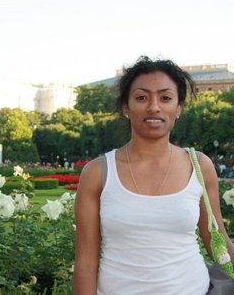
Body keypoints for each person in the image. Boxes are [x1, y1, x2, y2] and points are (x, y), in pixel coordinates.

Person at [72, 56, 234, 294]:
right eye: (141, 97)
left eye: (166, 98)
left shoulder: (199, 166)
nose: (154, 107)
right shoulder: (97, 173)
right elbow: (85, 262)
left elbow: (217, 240)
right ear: (126, 107)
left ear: (178, 108)